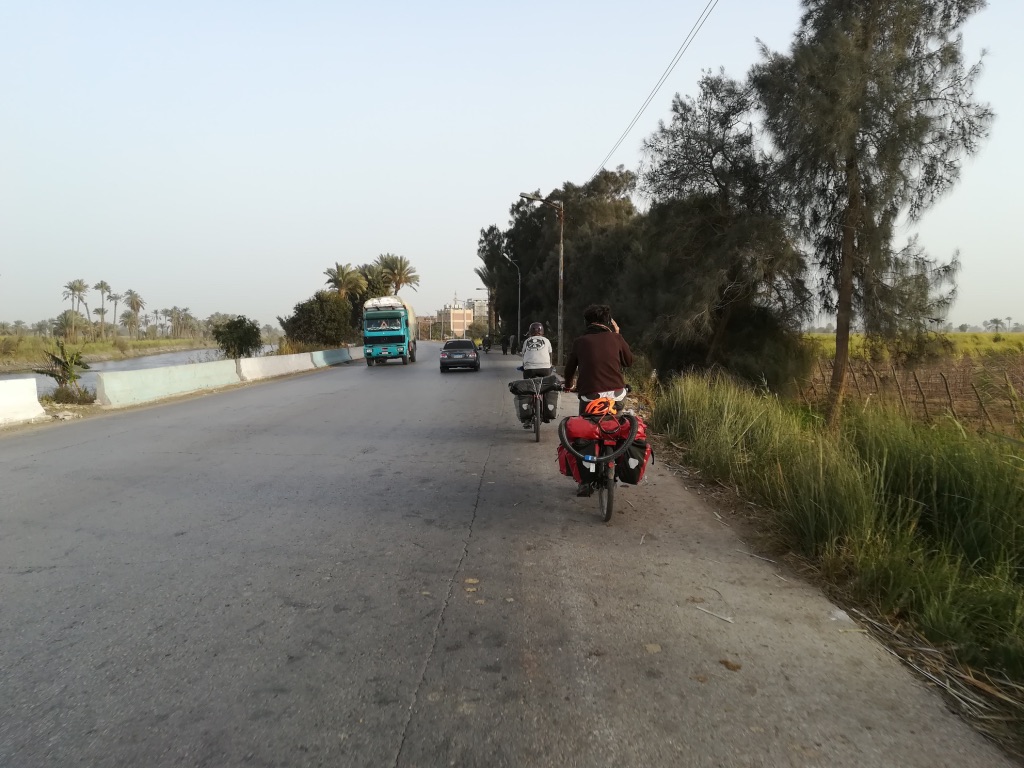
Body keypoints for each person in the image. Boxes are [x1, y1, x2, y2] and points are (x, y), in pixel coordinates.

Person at [563, 304, 633, 416]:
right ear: (609, 322)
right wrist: (617, 335)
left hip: (590, 397)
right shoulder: (616, 338)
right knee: (619, 421)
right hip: (617, 395)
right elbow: (628, 362)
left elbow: (569, 370)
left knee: (584, 424)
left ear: (586, 323)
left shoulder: (579, 342)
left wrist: (568, 385)